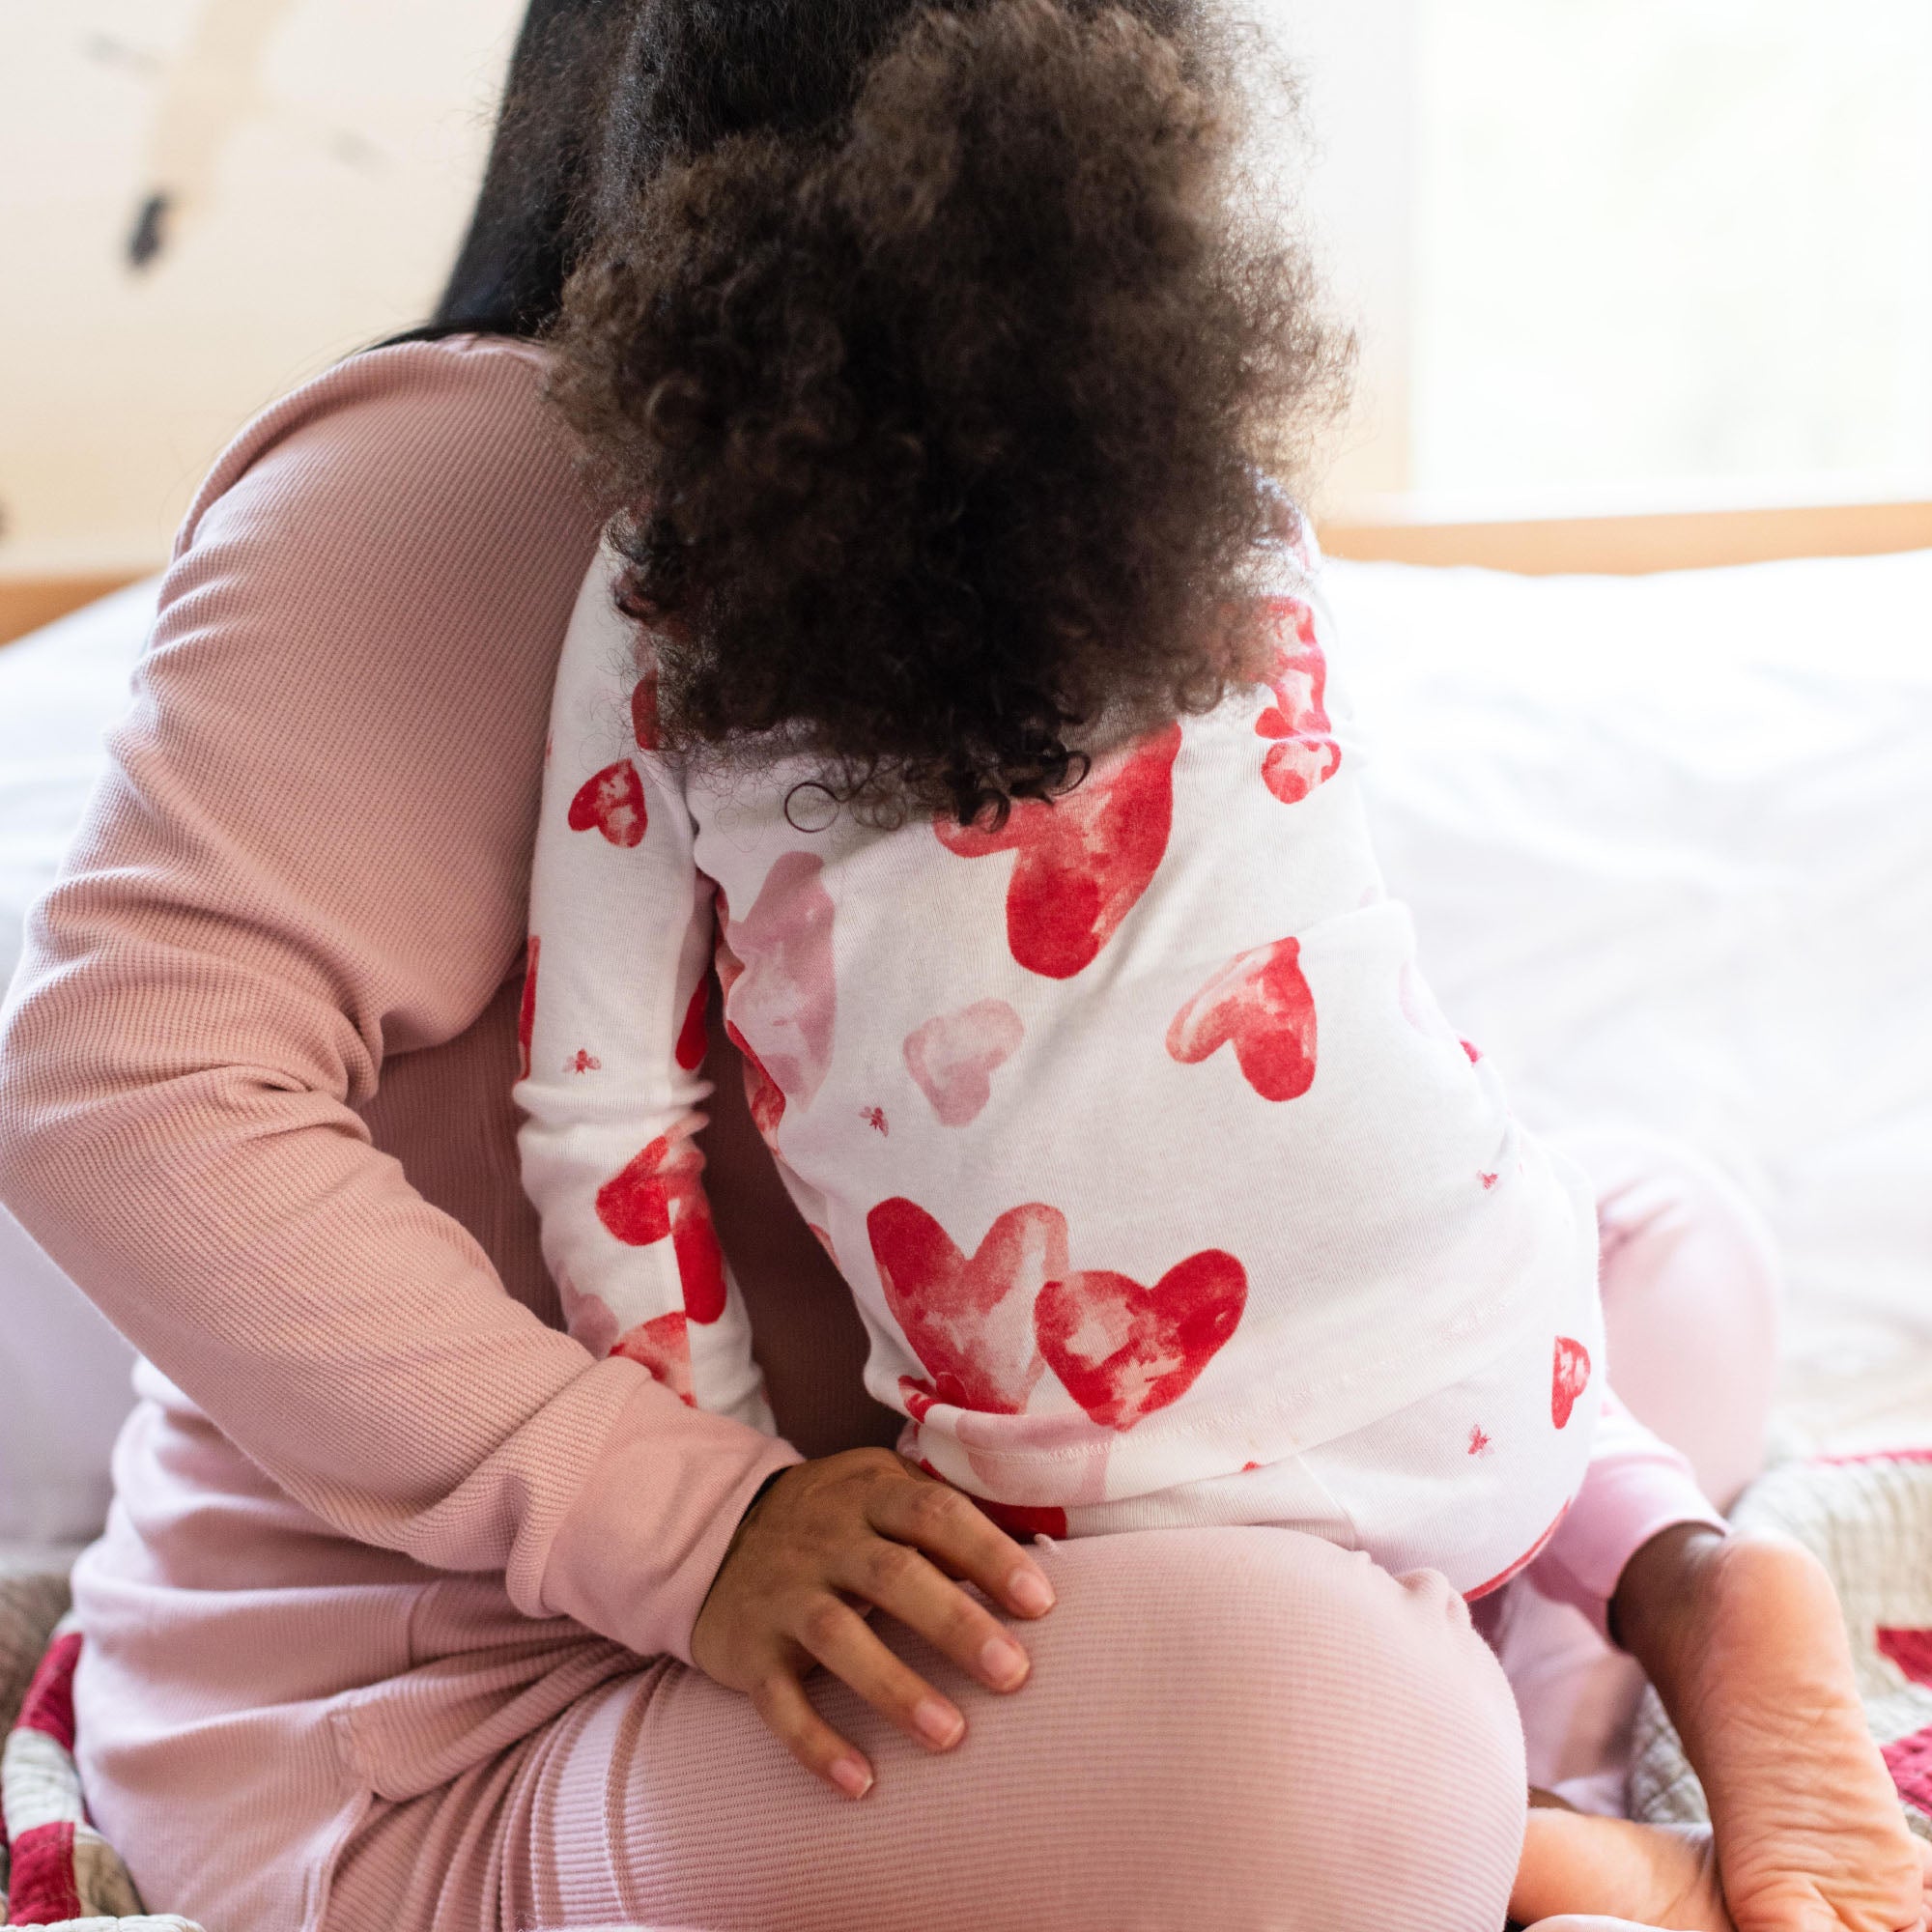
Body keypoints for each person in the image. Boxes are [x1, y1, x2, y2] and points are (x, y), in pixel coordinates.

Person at [0, 3, 1920, 1929]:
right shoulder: (454, 477)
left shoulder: (1049, 472)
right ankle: (1520, 1818)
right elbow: (119, 1082)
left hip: (1008, 1525)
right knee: (1336, 1734)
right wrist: (692, 1524)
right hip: (497, 1704)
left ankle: (1604, 1672)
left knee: (1659, 1252)